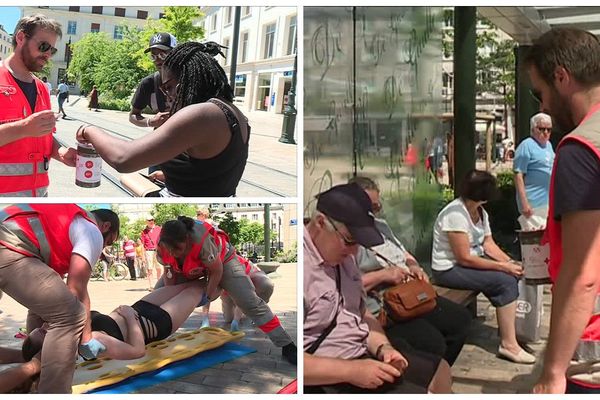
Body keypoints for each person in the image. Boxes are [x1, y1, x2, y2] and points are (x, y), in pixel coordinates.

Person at [304, 183, 452, 394]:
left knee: (440, 370)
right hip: (326, 372)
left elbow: (361, 312)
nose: (354, 252)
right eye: (349, 240)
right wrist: (351, 371)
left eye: (359, 244)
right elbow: (289, 357)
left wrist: (384, 347)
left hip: (360, 353)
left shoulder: (343, 257)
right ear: (320, 223)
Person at [525, 27, 600, 394]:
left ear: (561, 78)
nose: (543, 108)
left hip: (592, 351)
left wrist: (553, 371)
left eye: (540, 93)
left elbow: (583, 274)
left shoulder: (581, 149)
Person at [76, 41, 250, 197]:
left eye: (168, 87)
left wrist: (88, 130)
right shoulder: (229, 110)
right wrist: (170, 177)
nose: (168, 96)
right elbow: (214, 171)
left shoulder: (200, 114)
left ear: (186, 82)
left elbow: (123, 159)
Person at [350, 176, 472, 366]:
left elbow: (403, 252)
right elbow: (343, 286)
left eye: (377, 206)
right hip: (386, 305)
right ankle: (428, 377)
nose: (374, 212)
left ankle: (438, 374)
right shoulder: (348, 241)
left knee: (460, 320)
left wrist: (414, 266)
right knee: (432, 342)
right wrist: (385, 275)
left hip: (410, 291)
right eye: (370, 207)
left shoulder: (380, 226)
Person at [0, 204, 120, 393]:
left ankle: (38, 365)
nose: (104, 248)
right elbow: (76, 289)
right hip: (9, 246)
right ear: (106, 226)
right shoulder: (92, 231)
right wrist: (86, 338)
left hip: (9, 242)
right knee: (71, 315)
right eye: (109, 242)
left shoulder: (60, 224)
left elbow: (44, 301)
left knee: (55, 309)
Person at [156, 216, 297, 364]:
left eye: (178, 249)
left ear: (187, 239)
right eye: (170, 250)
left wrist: (207, 296)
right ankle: (152, 336)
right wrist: (169, 297)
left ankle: (286, 344)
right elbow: (169, 273)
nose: (173, 253)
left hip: (223, 261)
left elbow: (216, 271)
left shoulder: (201, 241)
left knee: (248, 301)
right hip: (190, 267)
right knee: (158, 295)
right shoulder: (162, 246)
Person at [431, 169, 535, 365]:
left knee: (512, 275)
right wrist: (503, 268)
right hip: (448, 269)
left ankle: (513, 333)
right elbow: (464, 258)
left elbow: (488, 244)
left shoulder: (480, 211)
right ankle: (509, 345)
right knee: (503, 281)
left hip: (467, 264)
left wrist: (510, 262)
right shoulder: (455, 214)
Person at [21, 280, 208, 364]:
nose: (45, 326)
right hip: (155, 323)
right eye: (44, 332)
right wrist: (128, 317)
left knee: (186, 284)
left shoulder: (72, 327)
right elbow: (137, 351)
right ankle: (226, 289)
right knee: (198, 289)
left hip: (138, 308)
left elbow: (35, 309)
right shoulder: (90, 343)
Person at [0, 15, 77, 197]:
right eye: (43, 46)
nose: (48, 54)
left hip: (39, 196)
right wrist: (23, 128)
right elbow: (29, 130)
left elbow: (44, 135)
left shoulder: (42, 88)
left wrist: (60, 152)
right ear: (20, 38)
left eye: (52, 50)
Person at [129, 32, 176, 177]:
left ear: (174, 53)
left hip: (186, 151)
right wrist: (150, 122)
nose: (157, 60)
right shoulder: (148, 84)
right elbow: (133, 115)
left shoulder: (189, 79)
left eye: (162, 54)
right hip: (158, 148)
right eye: (153, 56)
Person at [513, 113, 555, 229]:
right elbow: (518, 175)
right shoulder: (526, 145)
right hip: (532, 204)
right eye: (541, 129)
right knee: (534, 244)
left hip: (547, 203)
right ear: (533, 129)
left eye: (549, 129)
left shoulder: (549, 145)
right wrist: (524, 203)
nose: (546, 132)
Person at [221, 254, 275, 332]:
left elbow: (243, 295)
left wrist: (236, 320)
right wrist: (205, 317)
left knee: (266, 285)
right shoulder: (214, 265)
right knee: (229, 319)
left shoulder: (239, 266)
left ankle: (257, 312)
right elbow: (208, 293)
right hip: (227, 290)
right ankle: (247, 311)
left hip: (247, 283)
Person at [140, 215, 162, 290]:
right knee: (150, 269)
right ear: (146, 222)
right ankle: (151, 286)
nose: (151, 221)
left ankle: (159, 284)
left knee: (159, 268)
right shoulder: (144, 232)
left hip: (158, 251)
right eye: (149, 220)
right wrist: (142, 256)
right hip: (148, 251)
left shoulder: (159, 229)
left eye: (152, 220)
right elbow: (142, 245)